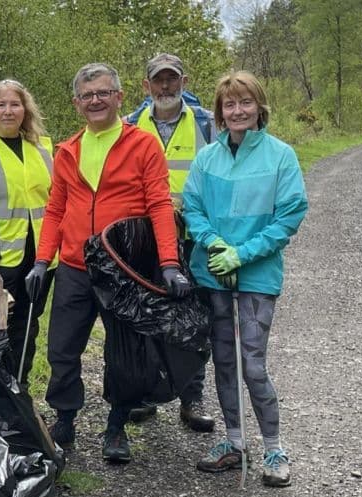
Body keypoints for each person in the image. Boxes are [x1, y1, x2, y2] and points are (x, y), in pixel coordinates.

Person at [25, 63, 192, 463]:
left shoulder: (143, 145)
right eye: (88, 95)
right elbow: (55, 209)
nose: (95, 100)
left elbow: (159, 204)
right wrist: (42, 260)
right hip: (75, 265)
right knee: (62, 348)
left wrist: (169, 262)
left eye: (103, 93)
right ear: (77, 103)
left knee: (124, 353)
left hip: (123, 268)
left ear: (119, 97)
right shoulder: (68, 150)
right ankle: (65, 419)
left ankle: (116, 427)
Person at [183, 70, 307, 487]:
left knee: (252, 365)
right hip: (214, 273)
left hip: (257, 276)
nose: (238, 111)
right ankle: (235, 443)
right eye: (230, 104)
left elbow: (289, 216)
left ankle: (274, 447)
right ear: (220, 112)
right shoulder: (207, 158)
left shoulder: (280, 156)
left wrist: (242, 254)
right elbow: (192, 207)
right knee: (224, 361)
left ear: (259, 107)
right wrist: (216, 245)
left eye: (246, 102)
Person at [124, 53, 216, 432]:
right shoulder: (129, 125)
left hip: (194, 236)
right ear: (146, 85)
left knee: (194, 317)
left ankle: (192, 397)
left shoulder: (208, 123)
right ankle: (147, 393)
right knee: (145, 316)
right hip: (144, 238)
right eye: (158, 80)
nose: (165, 86)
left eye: (172, 79)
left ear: (184, 82)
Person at [0, 79, 55, 389]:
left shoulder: (43, 148)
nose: (8, 111)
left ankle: (19, 389)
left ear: (25, 110)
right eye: (0, 105)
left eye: (15, 104)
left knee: (26, 327)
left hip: (40, 257)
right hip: (0, 260)